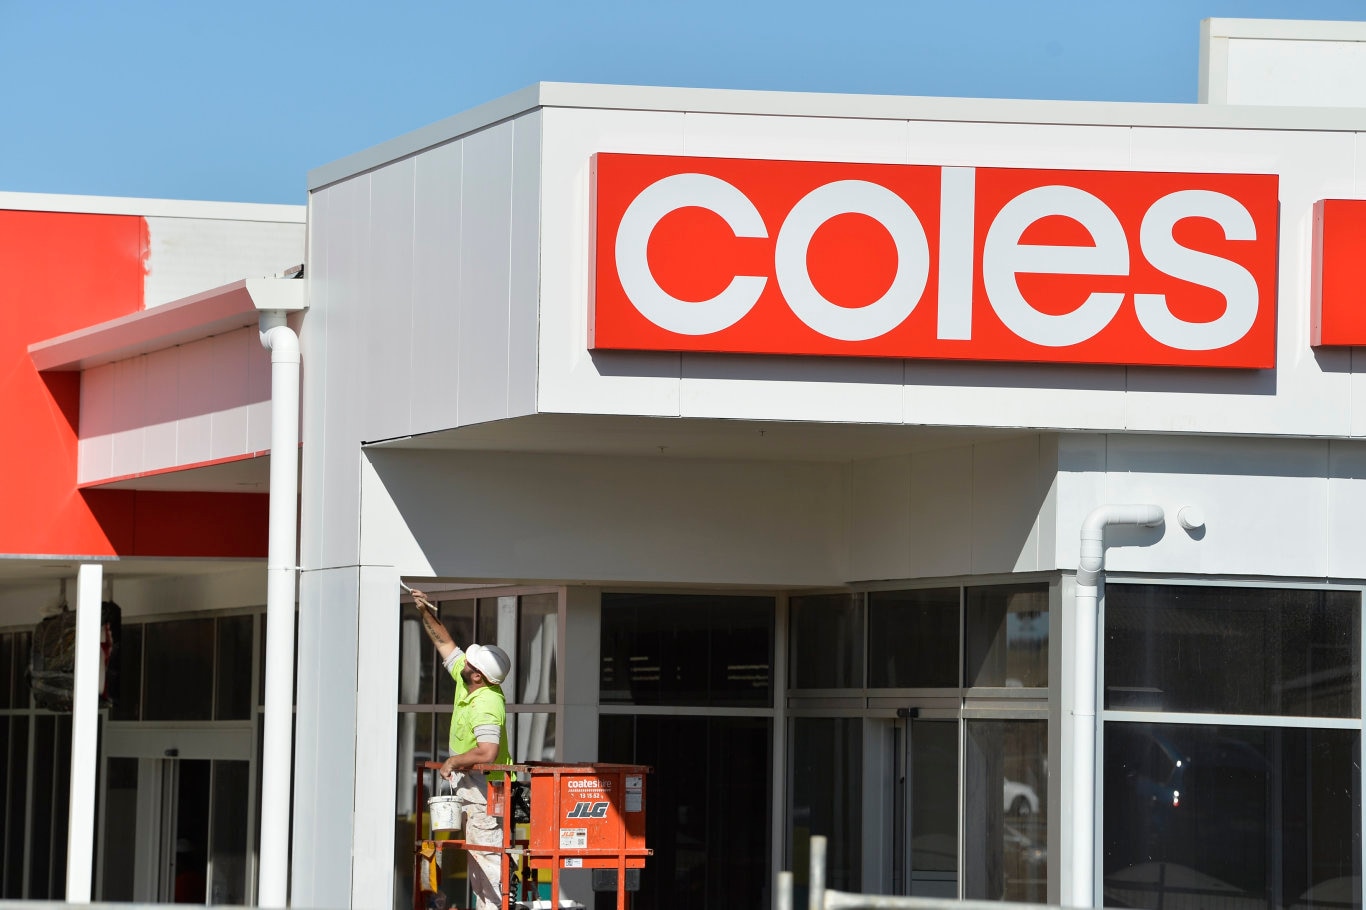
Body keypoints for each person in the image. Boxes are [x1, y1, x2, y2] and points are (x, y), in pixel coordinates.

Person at [411, 589, 513, 910]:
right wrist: (426, 610)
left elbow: (487, 752)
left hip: (487, 789)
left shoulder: (486, 703)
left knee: (488, 861)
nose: (464, 660)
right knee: (475, 858)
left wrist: (454, 761)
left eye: (470, 661)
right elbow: (444, 643)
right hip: (472, 785)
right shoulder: (466, 678)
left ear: (479, 675)